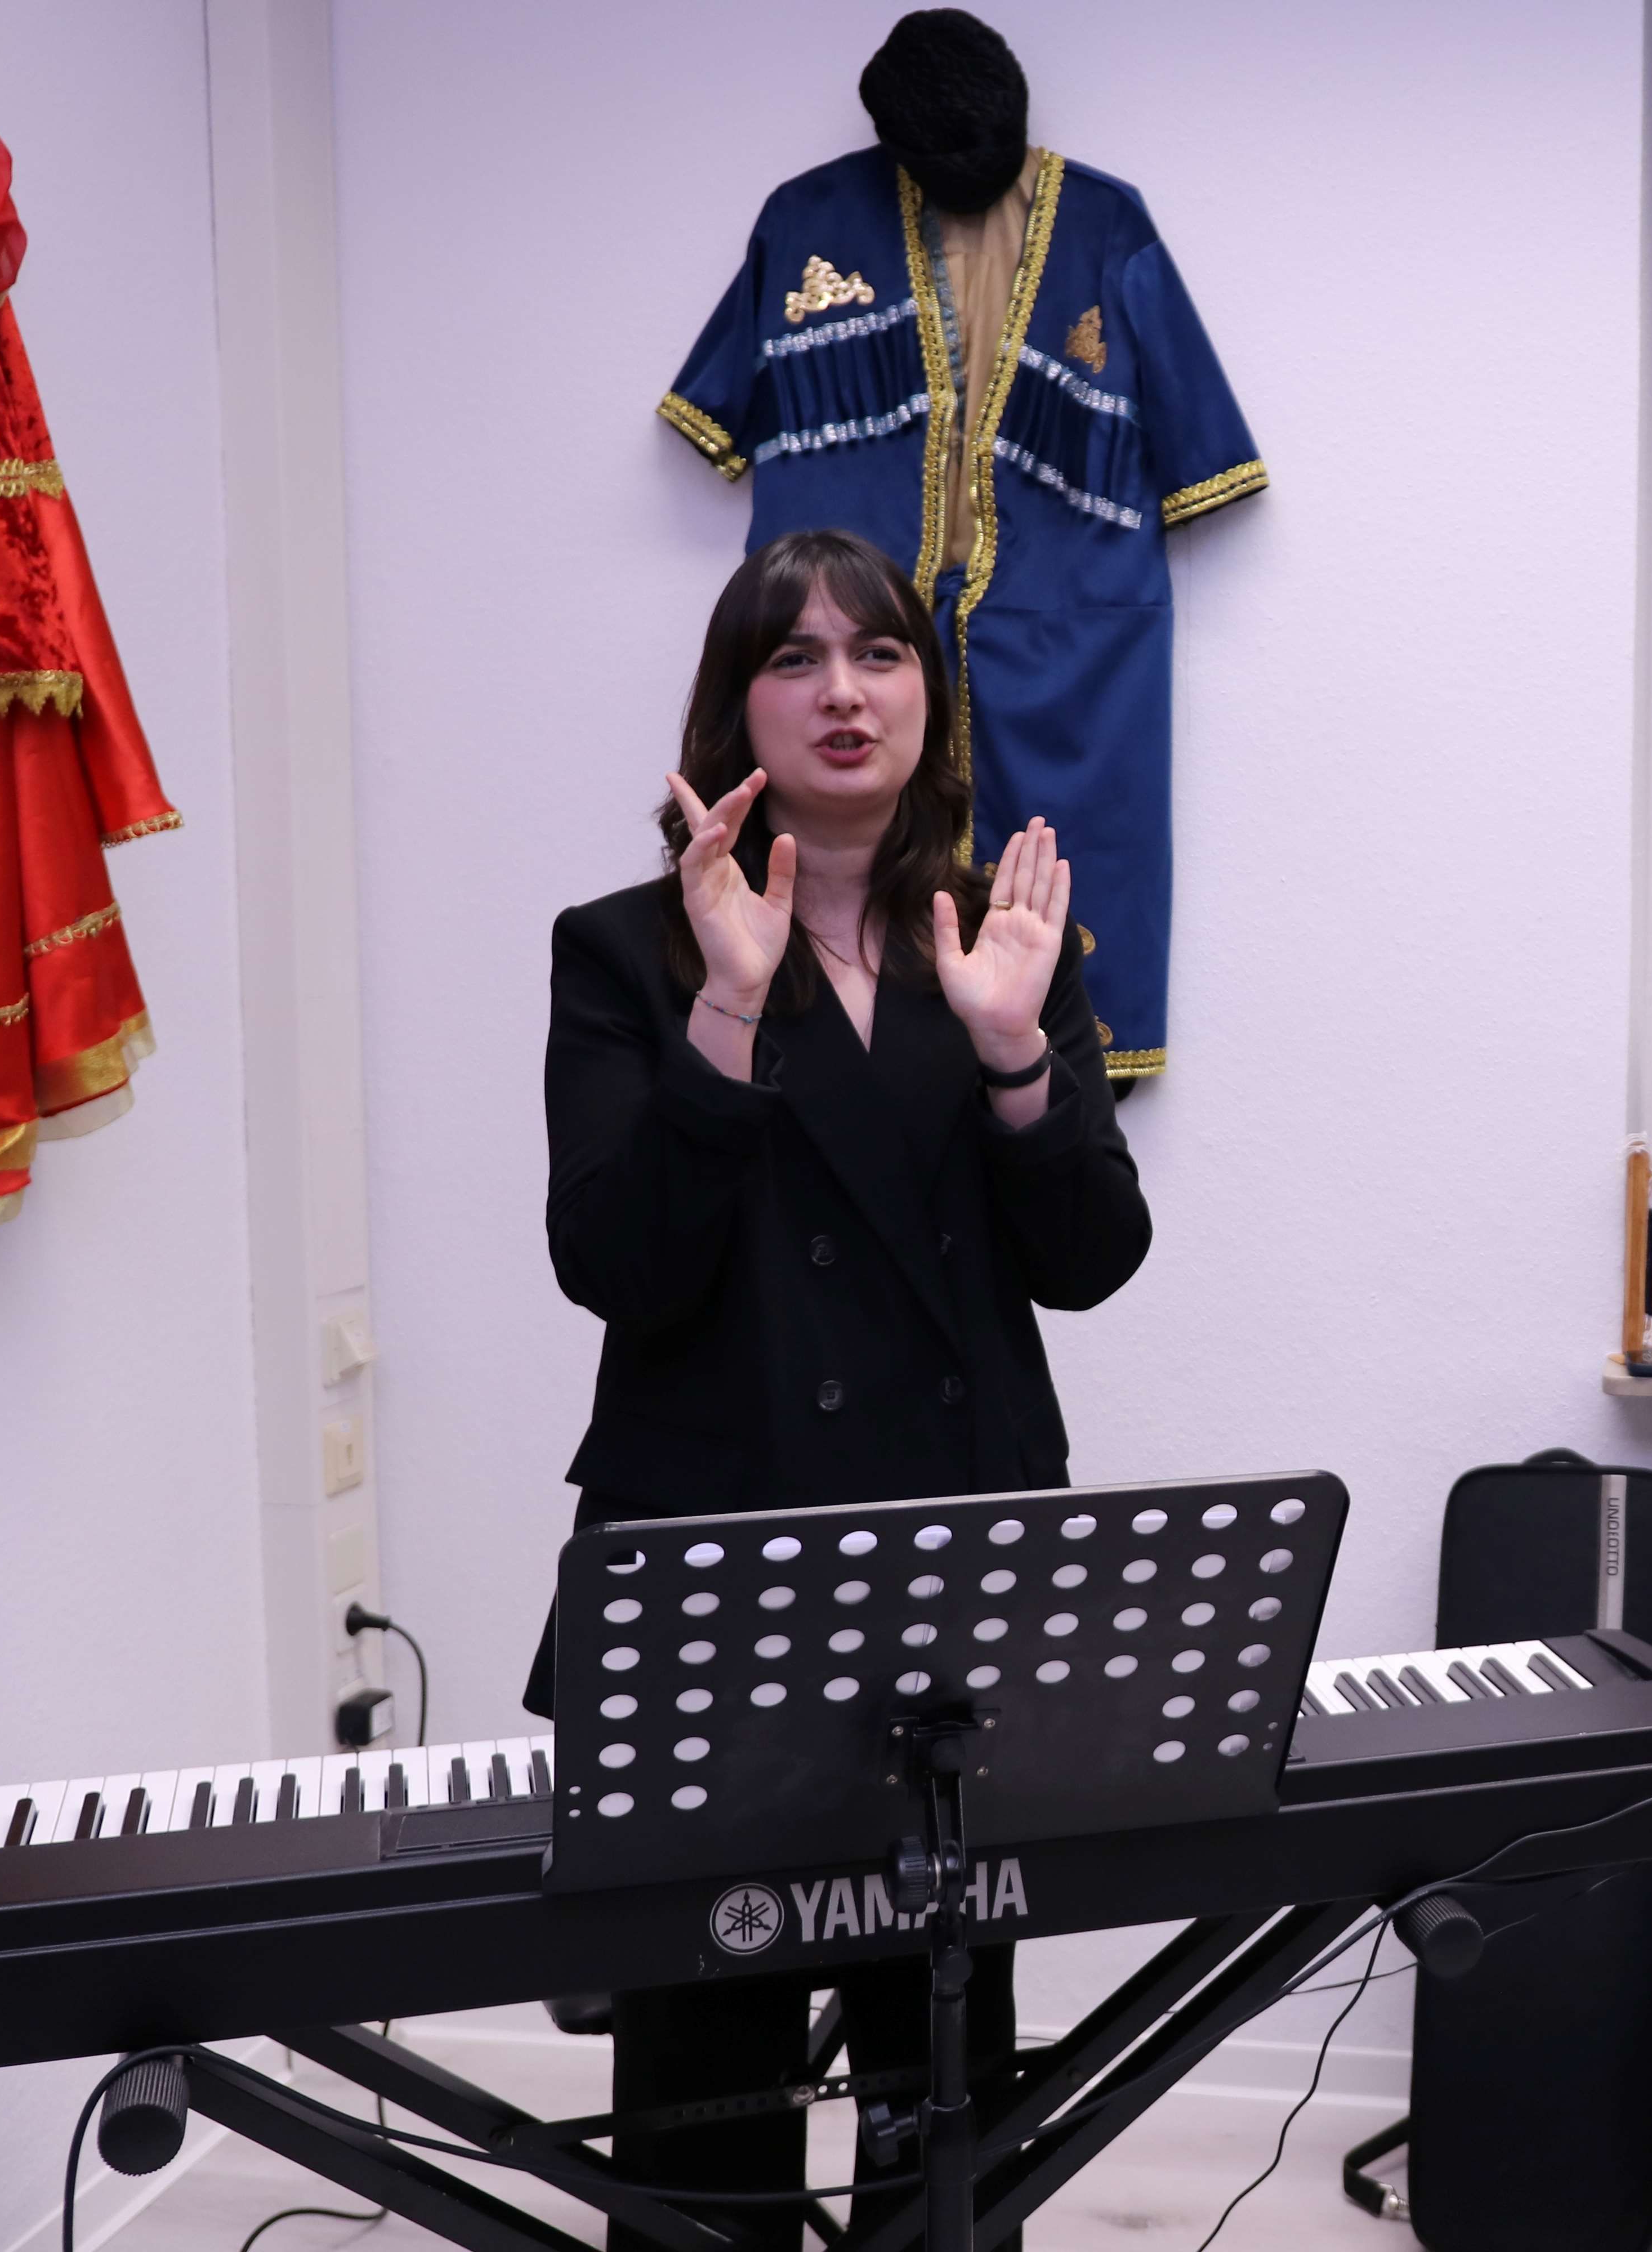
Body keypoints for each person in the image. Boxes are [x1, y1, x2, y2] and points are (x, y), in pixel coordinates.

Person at [538, 526, 1149, 2243]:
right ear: (734, 705)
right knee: (709, 2096)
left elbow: (1092, 1255)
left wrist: (1017, 1054)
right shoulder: (628, 949)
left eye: (879, 653)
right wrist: (728, 1013)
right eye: (795, 657)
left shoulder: (1007, 942)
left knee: (938, 2078)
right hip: (716, 1564)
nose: (843, 691)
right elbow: (617, 1264)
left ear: (927, 695)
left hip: (957, 1561)